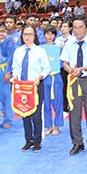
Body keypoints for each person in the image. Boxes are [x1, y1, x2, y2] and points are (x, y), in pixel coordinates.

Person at [61, 16, 87, 156]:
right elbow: (64, 62)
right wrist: (69, 70)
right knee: (74, 112)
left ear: (86, 28)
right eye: (75, 27)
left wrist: (83, 69)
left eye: (81, 27)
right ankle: (77, 142)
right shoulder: (69, 43)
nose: (78, 30)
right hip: (73, 80)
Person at [11, 24, 51, 152]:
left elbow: (47, 68)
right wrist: (15, 76)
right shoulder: (18, 51)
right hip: (22, 88)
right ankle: (29, 140)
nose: (27, 37)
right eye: (25, 34)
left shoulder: (40, 51)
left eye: (30, 34)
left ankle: (38, 141)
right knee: (25, 115)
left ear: (34, 36)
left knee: (37, 115)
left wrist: (40, 76)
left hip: (35, 87)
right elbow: (15, 67)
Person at [42, 25, 64, 136]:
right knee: (45, 103)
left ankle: (57, 126)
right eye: (47, 33)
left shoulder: (59, 48)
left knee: (58, 102)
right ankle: (48, 126)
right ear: (44, 35)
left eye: (52, 34)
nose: (49, 36)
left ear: (55, 35)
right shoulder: (40, 49)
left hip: (55, 77)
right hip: (44, 78)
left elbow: (63, 63)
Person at [55, 20, 73, 112]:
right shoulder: (57, 39)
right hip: (59, 66)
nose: (63, 28)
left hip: (69, 66)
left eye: (65, 26)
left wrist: (64, 48)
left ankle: (68, 105)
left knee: (68, 87)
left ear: (70, 28)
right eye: (62, 26)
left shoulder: (72, 39)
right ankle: (62, 106)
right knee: (61, 87)